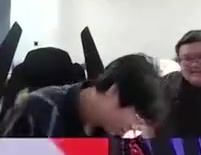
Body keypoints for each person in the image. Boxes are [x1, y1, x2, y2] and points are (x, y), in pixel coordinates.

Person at [0, 53, 165, 138]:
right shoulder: (39, 109)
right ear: (114, 90)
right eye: (137, 116)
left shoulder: (112, 133)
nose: (135, 128)